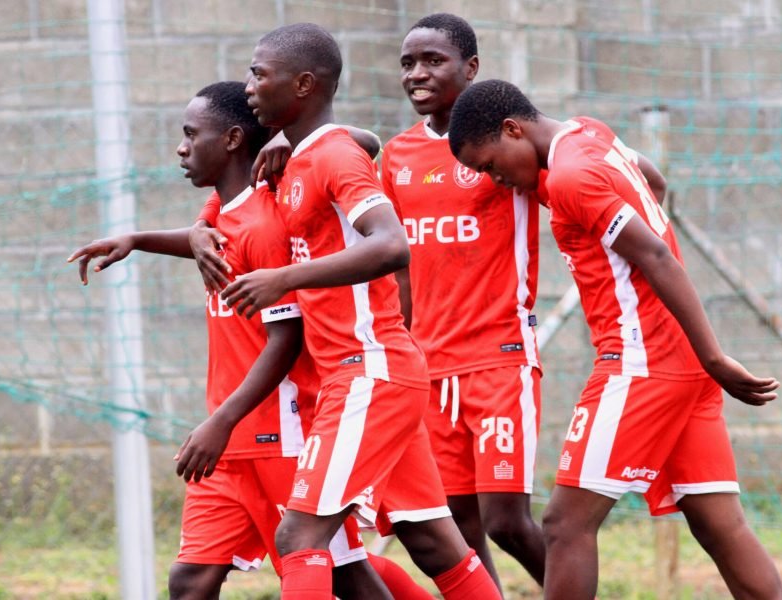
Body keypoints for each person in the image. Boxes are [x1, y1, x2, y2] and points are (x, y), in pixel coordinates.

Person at [67, 81, 425, 600]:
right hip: (229, 440)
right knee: (190, 579)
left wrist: (222, 421)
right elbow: (217, 227)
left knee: (342, 569)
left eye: (191, 134)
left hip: (278, 431)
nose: (180, 147)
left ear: (233, 139)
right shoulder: (219, 215)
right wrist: (139, 240)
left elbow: (286, 338)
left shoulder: (268, 219)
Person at [447, 79, 782, 600]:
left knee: (563, 525)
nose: (497, 180)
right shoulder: (589, 133)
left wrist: (715, 356)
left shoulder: (570, 178)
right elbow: (652, 178)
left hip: (640, 361)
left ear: (513, 129)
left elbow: (655, 256)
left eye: (491, 164)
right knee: (718, 524)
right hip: (680, 365)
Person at [220, 23, 500, 599]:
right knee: (432, 542)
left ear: (301, 84)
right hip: (366, 374)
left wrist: (284, 279)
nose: (249, 85)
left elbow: (391, 244)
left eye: (258, 73)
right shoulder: (301, 158)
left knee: (299, 537)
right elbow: (363, 140)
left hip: (369, 370)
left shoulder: (332, 158)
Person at [379, 13, 549, 588]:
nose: (418, 74)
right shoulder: (397, 158)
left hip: (498, 361)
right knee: (457, 526)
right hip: (429, 369)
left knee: (506, 521)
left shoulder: (509, 142)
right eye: (408, 63)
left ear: (470, 68)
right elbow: (395, 265)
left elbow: (607, 171)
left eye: (433, 61)